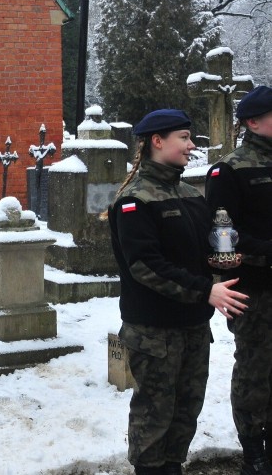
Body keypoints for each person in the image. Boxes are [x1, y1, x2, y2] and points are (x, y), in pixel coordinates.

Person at [108, 109, 248, 475]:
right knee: (154, 417)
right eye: (184, 137)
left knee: (186, 413)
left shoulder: (189, 194)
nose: (191, 145)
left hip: (192, 328)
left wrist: (224, 260)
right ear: (158, 141)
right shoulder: (133, 200)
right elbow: (146, 267)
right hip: (154, 331)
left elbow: (203, 251)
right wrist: (207, 291)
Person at [205, 85, 272, 475]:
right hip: (253, 288)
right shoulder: (230, 170)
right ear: (253, 122)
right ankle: (253, 449)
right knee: (255, 368)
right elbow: (221, 236)